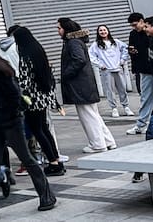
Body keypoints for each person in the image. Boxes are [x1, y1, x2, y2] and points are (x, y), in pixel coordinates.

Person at [0, 41, 56, 219]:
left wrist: (4, 113)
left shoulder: (1, 73)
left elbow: (15, 97)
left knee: (27, 159)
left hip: (10, 123)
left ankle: (47, 196)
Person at [57, 18, 116, 153]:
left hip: (80, 85)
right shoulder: (76, 41)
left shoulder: (72, 42)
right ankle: (108, 141)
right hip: (85, 84)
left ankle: (98, 144)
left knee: (88, 116)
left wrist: (66, 73)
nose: (58, 31)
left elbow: (79, 60)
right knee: (93, 114)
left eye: (59, 28)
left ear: (66, 29)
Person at [12, 27, 65, 176]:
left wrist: (18, 89)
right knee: (44, 129)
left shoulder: (25, 56)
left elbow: (25, 81)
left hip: (32, 100)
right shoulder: (38, 51)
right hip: (43, 97)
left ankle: (53, 162)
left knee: (38, 131)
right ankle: (56, 160)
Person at [88, 25, 133, 118]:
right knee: (110, 90)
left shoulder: (116, 42)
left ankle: (126, 107)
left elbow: (126, 49)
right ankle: (114, 108)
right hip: (107, 70)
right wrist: (100, 65)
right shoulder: (96, 45)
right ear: (98, 33)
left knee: (122, 88)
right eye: (100, 30)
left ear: (108, 31)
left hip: (118, 69)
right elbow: (91, 56)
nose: (103, 32)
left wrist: (122, 60)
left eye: (104, 30)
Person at [127, 13, 153, 136]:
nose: (135, 28)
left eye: (135, 25)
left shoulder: (152, 34)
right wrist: (132, 51)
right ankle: (141, 124)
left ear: (141, 21)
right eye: (132, 26)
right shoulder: (133, 34)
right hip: (144, 70)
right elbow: (132, 49)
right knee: (146, 97)